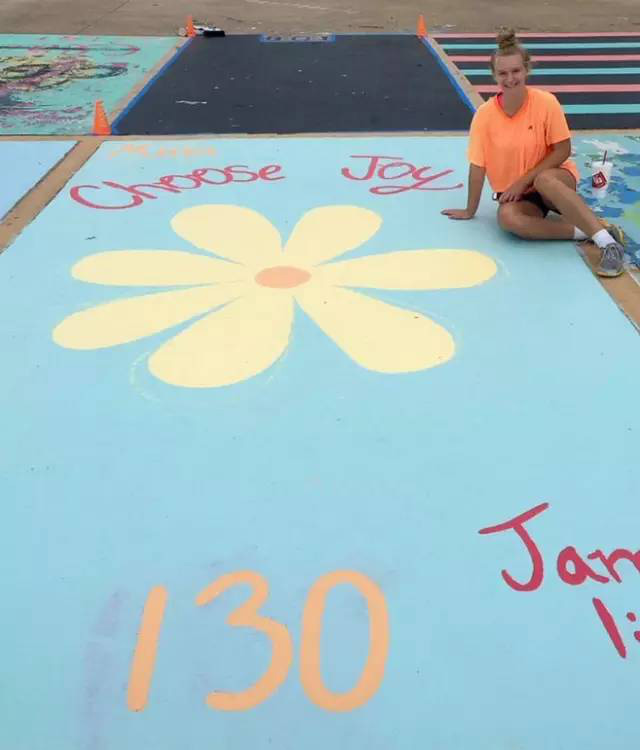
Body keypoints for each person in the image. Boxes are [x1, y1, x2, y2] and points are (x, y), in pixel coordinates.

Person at [442, 28, 626, 277]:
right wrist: (469, 210)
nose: (510, 78)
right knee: (508, 219)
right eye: (503, 73)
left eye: (516, 71)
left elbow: (563, 149)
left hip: (555, 180)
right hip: (522, 197)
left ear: (526, 70)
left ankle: (609, 246)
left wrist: (522, 181)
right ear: (494, 75)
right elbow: (478, 166)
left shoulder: (546, 102)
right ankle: (593, 231)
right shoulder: (484, 116)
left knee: (544, 180)